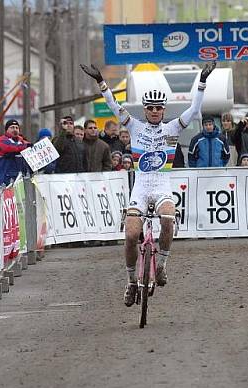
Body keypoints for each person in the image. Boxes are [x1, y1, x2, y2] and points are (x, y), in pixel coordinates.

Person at [81, 60, 216, 306]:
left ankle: (162, 265)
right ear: (145, 109)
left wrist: (203, 81)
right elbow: (113, 105)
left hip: (163, 189)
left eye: (158, 108)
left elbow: (195, 108)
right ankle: (132, 282)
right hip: (140, 191)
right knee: (131, 234)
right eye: (151, 107)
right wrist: (100, 81)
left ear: (164, 110)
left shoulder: (174, 127)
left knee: (168, 219)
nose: (154, 111)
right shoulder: (134, 126)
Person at [0, 119, 31, 188]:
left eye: (17, 128)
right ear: (6, 130)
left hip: (20, 179)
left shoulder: (22, 142)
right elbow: (8, 148)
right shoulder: (0, 140)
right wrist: (26, 147)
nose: (15, 129)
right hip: (4, 180)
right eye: (12, 127)